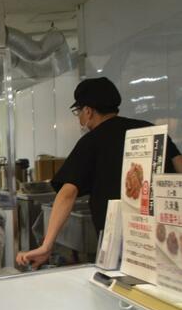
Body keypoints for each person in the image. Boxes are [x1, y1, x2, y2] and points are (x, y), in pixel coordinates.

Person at [17, 77, 182, 269]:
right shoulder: (151, 130)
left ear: (88, 111)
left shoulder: (91, 142)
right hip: (166, 241)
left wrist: (46, 245)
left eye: (78, 112)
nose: (79, 119)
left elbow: (67, 193)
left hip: (121, 248)